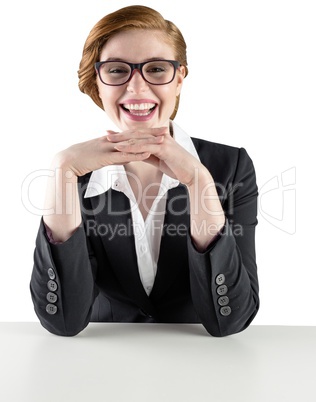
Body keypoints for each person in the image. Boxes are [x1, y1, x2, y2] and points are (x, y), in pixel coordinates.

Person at [30, 5, 259, 337]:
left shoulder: (231, 167)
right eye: (117, 70)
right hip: (100, 368)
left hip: (204, 367)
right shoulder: (76, 175)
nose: (136, 89)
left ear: (179, 79)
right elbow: (62, 322)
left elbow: (230, 321)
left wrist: (199, 182)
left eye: (155, 69)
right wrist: (61, 171)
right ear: (99, 81)